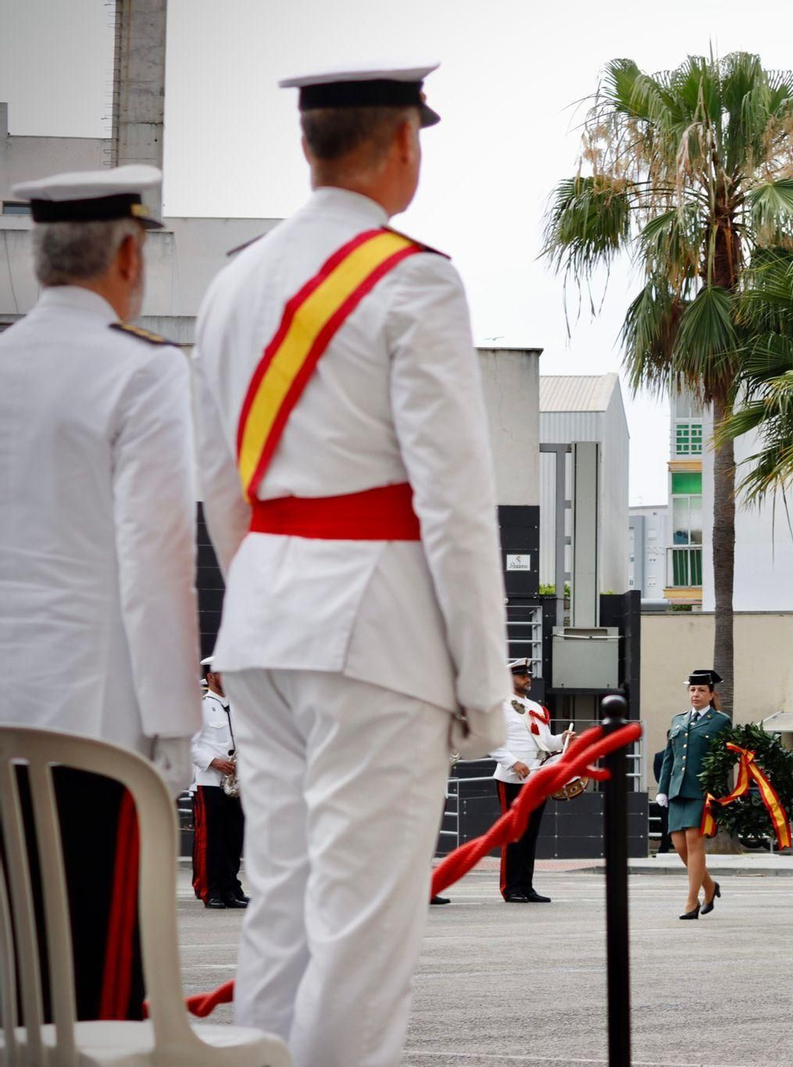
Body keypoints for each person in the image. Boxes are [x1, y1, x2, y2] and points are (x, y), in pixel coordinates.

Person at [191, 65, 510, 1065]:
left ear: (309, 145)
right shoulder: (412, 278)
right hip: (375, 627)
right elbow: (454, 506)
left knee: (280, 911)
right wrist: (486, 695)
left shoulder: (232, 281)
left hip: (264, 620)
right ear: (404, 145)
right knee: (364, 933)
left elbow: (219, 484)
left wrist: (267, 594)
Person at [0, 165, 199, 1021]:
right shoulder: (143, 371)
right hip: (92, 726)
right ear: (127, 254)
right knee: (96, 988)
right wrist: (173, 732)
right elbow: (158, 559)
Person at [489, 659, 571, 903]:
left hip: (537, 775)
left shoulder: (535, 706)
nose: (527, 678)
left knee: (531, 834)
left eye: (528, 675)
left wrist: (563, 738)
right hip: (513, 777)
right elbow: (491, 741)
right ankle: (511, 887)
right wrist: (513, 762)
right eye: (521, 675)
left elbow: (546, 742)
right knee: (514, 834)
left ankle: (526, 886)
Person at [655, 669, 732, 919]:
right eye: (692, 690)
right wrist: (663, 789)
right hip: (677, 790)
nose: (695, 694)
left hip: (701, 791)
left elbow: (725, 759)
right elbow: (670, 756)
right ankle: (709, 886)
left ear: (711, 694)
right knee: (679, 846)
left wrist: (717, 790)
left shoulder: (720, 721)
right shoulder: (678, 719)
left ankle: (691, 902)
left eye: (701, 690)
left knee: (693, 842)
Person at [191, 660, 248, 909]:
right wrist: (213, 761)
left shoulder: (237, 707)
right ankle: (210, 890)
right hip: (209, 782)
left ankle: (230, 889)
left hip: (234, 784)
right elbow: (189, 744)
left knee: (233, 838)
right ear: (212, 676)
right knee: (211, 840)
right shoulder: (200, 707)